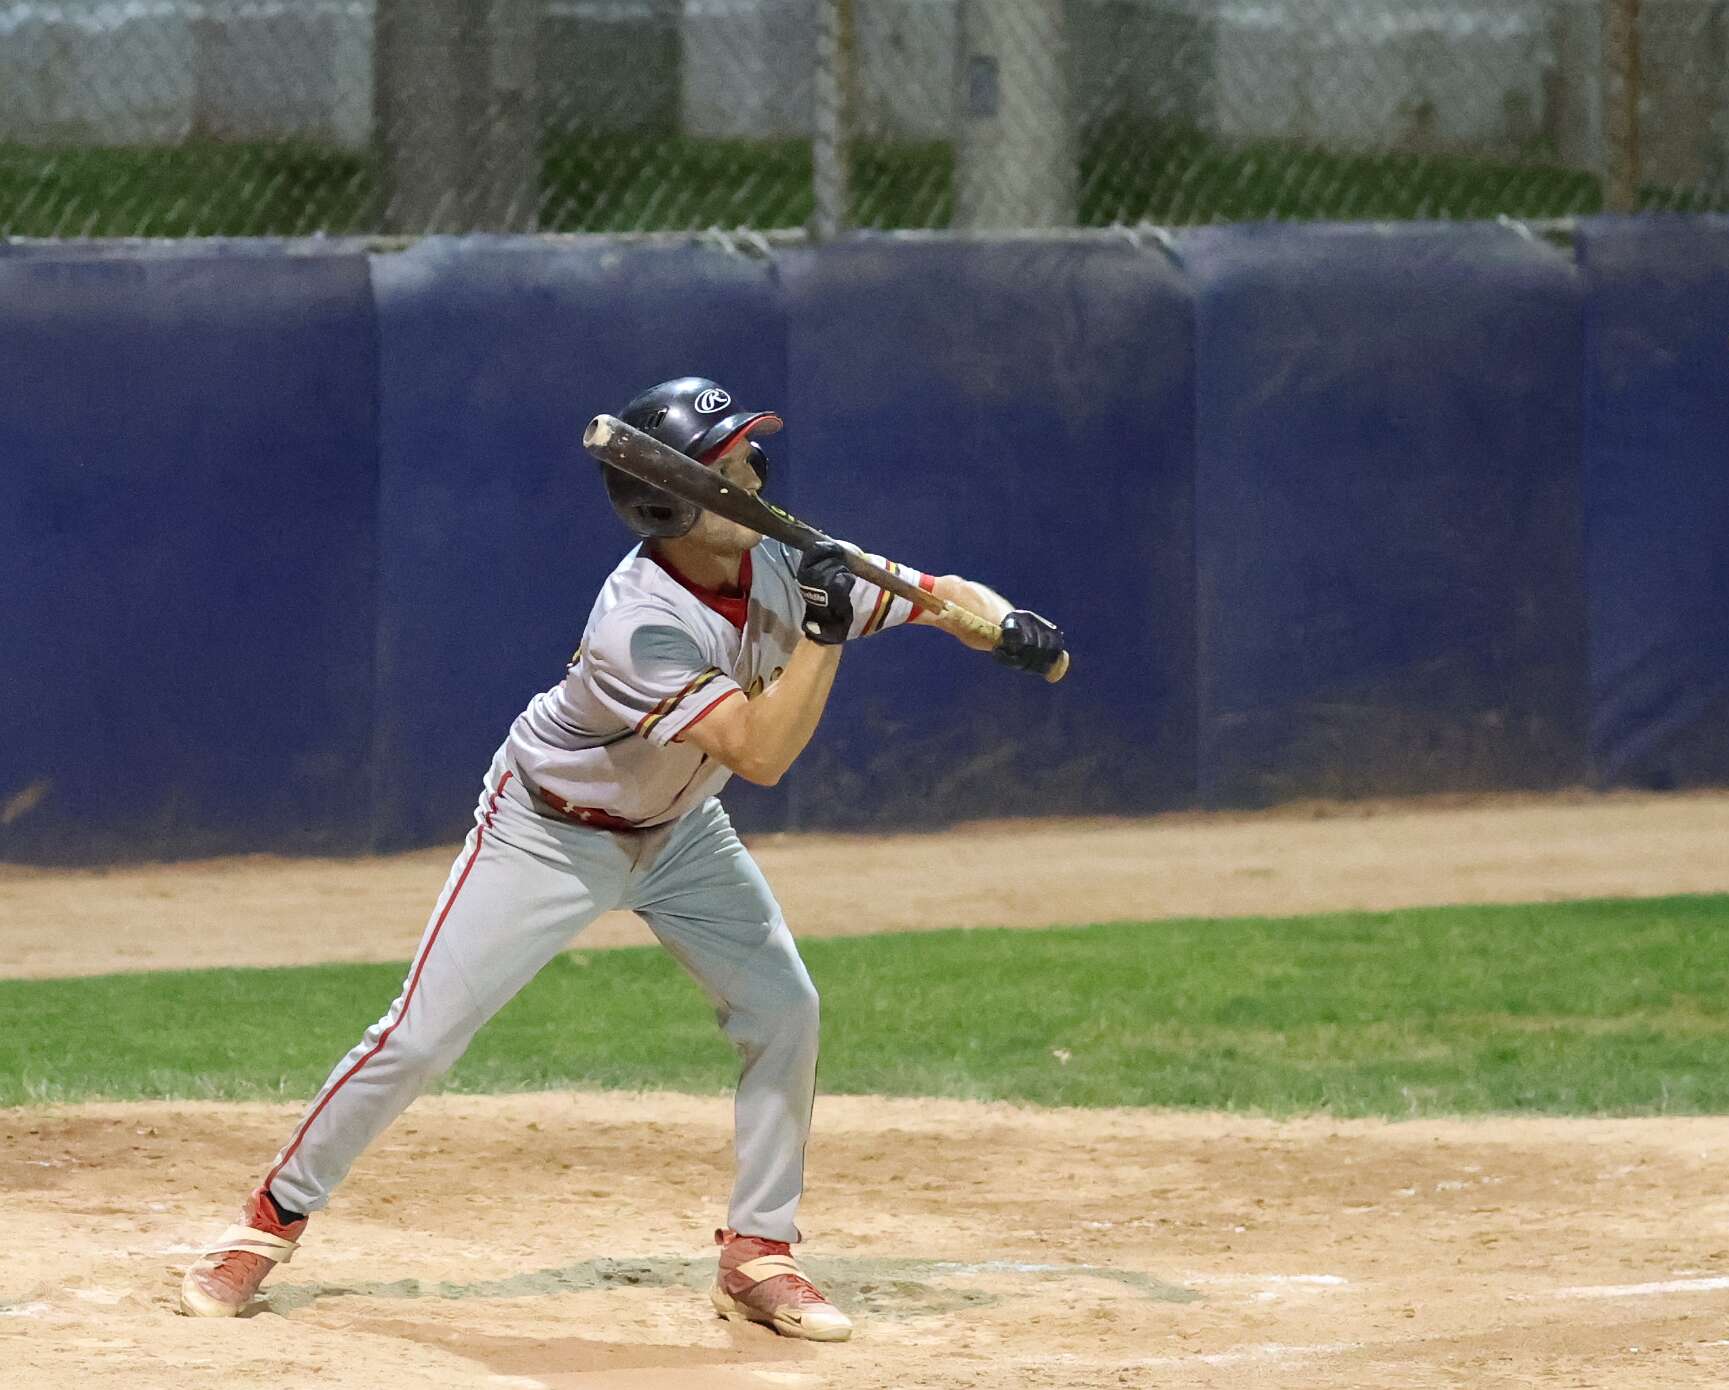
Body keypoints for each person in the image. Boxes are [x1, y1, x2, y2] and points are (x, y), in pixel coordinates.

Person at [177, 377, 1066, 1341]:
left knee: (785, 1009)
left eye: (750, 456)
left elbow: (941, 595)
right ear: (670, 505)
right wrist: (824, 633)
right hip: (548, 832)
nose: (753, 475)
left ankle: (758, 1253)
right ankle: (267, 1222)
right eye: (727, 466)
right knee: (420, 1037)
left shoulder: (786, 561)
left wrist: (1002, 622)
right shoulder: (639, 623)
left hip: (682, 833)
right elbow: (761, 754)